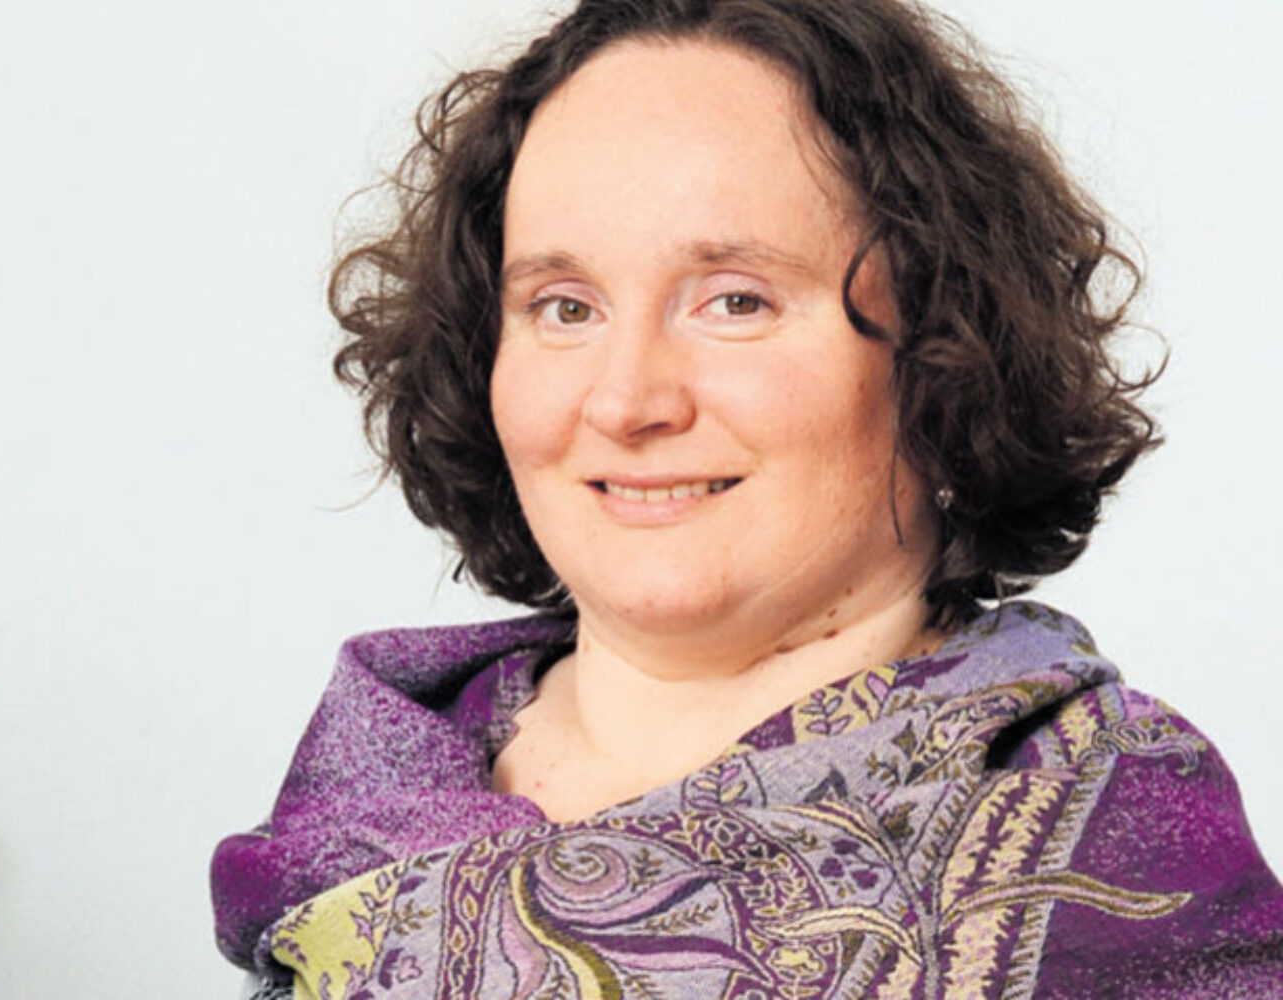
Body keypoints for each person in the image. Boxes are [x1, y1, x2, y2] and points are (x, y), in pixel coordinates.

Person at [211, 0, 1283, 996]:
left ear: (944, 349)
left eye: (735, 301)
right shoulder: (374, 774)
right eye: (564, 306)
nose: (627, 399)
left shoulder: (1110, 834)